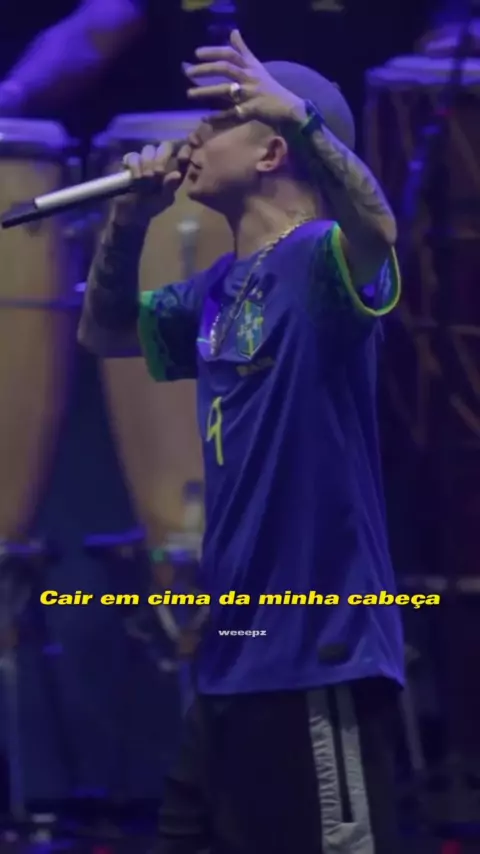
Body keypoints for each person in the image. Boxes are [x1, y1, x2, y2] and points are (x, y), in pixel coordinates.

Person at [78, 27, 404, 853]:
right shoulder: (218, 289)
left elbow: (379, 230)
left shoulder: (321, 261)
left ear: (271, 151)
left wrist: (298, 115)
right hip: (232, 659)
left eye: (220, 119)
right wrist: (129, 218)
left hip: (319, 658)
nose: (194, 135)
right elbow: (104, 333)